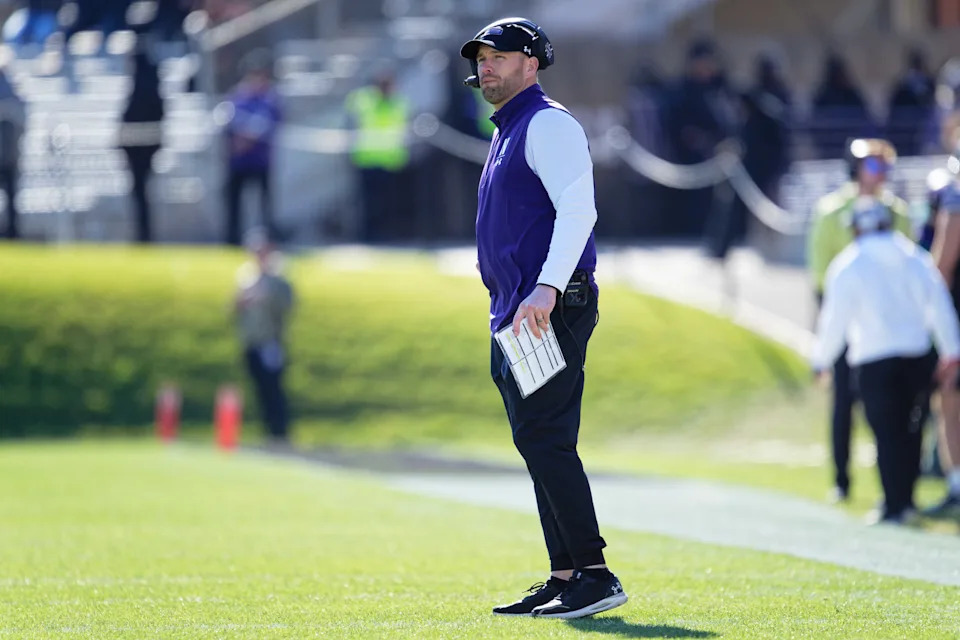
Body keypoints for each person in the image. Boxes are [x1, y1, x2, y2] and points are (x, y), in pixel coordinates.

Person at [460, 17, 627, 619]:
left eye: (499, 56)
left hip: (548, 305)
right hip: (519, 310)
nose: (487, 66)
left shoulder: (548, 123)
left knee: (546, 437)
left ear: (532, 63)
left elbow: (578, 212)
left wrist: (548, 288)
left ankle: (596, 574)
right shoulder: (509, 128)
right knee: (537, 440)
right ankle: (564, 574)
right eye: (481, 58)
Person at [812, 198, 960, 524]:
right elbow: (939, 304)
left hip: (873, 359)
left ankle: (894, 504)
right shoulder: (914, 258)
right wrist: (951, 351)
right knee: (911, 430)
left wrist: (820, 360)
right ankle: (905, 499)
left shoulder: (850, 263)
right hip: (916, 355)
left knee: (886, 433)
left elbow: (834, 320)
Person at [807, 138, 914, 502]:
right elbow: (821, 272)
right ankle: (841, 478)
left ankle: (898, 487)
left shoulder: (897, 211)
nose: (879, 175)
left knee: (892, 406)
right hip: (849, 319)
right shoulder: (831, 210)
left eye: (883, 167)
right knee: (843, 402)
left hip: (887, 326)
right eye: (872, 167)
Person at [664, 39, 737, 236]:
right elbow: (679, 128)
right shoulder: (682, 92)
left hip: (725, 156)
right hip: (693, 160)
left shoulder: (721, 88)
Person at [234, 227, 294, 444]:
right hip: (251, 341)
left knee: (274, 388)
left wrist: (267, 297)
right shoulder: (246, 276)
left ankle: (280, 432)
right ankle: (267, 431)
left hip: (270, 341)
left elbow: (286, 306)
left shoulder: (277, 278)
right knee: (259, 388)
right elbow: (235, 307)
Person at [925, 145, 960, 518]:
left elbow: (942, 268)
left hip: (956, 317)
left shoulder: (955, 200)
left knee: (950, 400)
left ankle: (956, 484)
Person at [223, 49, 282, 246]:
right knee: (234, 203)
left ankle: (268, 241)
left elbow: (268, 124)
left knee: (265, 204)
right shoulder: (238, 97)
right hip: (239, 161)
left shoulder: (270, 99)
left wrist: (248, 136)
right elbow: (229, 123)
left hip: (260, 160)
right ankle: (232, 240)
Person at [344, 71, 410, 241]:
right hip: (367, 161)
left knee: (389, 203)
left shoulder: (398, 102)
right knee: (368, 202)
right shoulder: (364, 101)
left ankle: (388, 233)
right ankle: (369, 235)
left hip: (391, 162)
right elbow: (350, 121)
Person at [118, 44, 164, 243]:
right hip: (140, 146)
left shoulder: (144, 86)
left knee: (141, 192)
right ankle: (142, 233)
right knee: (139, 193)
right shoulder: (150, 84)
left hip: (142, 147)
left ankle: (144, 234)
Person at [810, 55, 876, 159]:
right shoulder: (824, 97)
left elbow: (865, 116)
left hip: (854, 146)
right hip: (830, 149)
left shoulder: (851, 94)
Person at [886, 49, 936, 157]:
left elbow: (933, 100)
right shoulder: (903, 85)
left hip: (925, 123)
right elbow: (895, 103)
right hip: (907, 127)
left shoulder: (928, 82)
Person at [0, 64, 24, 239]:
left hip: (9, 157)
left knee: (11, 198)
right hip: (10, 156)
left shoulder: (11, 95)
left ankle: (12, 233)